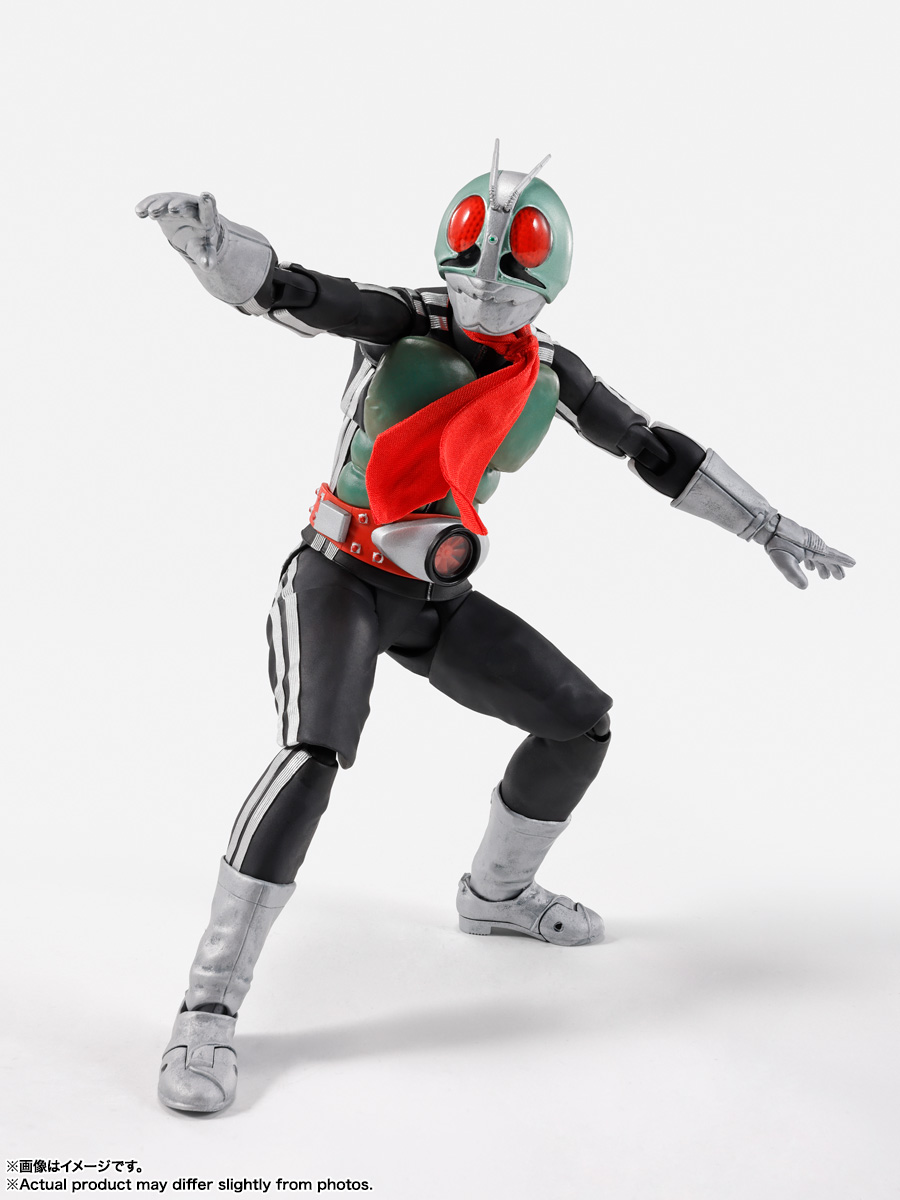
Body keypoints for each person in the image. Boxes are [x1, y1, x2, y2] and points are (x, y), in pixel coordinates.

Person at [137, 143, 853, 1114]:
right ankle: (208, 1006)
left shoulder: (546, 370)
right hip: (337, 576)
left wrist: (764, 521)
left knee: (577, 722)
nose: (484, 292)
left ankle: (497, 896)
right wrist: (218, 250)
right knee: (311, 756)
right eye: (470, 269)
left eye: (509, 279)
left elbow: (649, 447)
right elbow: (299, 293)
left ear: (550, 281)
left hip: (435, 597)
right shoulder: (406, 320)